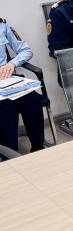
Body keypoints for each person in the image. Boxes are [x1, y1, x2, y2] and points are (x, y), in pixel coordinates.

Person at [0, 19, 45, 152]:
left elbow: (26, 50)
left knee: (33, 100)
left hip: (7, 81)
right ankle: (10, 154)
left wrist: (12, 63)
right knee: (5, 107)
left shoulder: (2, 25)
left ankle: (38, 147)